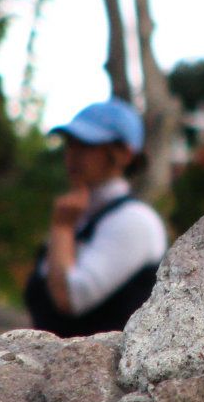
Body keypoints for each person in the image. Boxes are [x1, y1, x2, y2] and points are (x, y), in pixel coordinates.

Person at [24, 98, 167, 338]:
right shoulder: (81, 216)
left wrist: (61, 227)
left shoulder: (136, 220)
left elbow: (69, 300)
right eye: (71, 143)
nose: (73, 154)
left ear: (124, 154)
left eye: (88, 145)